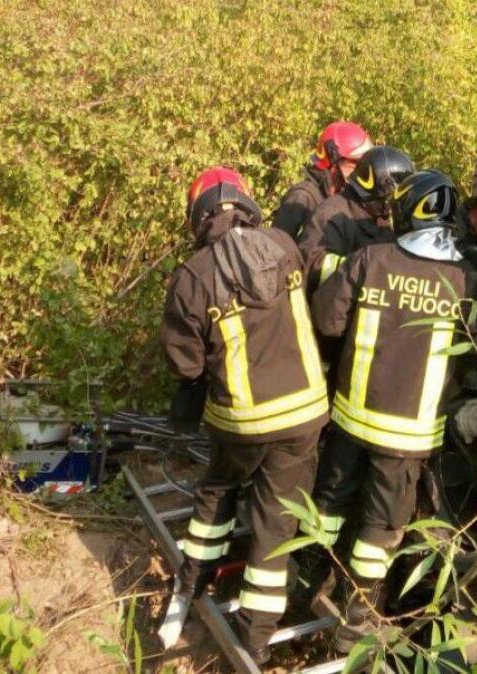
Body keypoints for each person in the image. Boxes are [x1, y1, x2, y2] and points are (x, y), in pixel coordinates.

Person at [158, 167, 328, 664]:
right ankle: (256, 639)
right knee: (276, 524)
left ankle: (192, 582)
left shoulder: (194, 277)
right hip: (305, 414)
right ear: (246, 203)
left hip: (243, 423)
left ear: (199, 216)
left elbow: (183, 362)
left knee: (216, 496)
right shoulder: (283, 245)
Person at [308, 170, 477, 651]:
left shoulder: (370, 259)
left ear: (408, 211)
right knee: (380, 531)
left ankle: (305, 582)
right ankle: (357, 620)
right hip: (410, 438)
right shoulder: (465, 278)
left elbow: (326, 319)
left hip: (348, 421)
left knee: (327, 509)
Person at [311, 146, 415, 287]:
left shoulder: (377, 216)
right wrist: (366, 266)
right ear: (378, 192)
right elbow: (314, 265)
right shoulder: (331, 214)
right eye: (391, 199)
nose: (393, 206)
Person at [271, 121, 374, 239]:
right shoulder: (302, 198)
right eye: (356, 163)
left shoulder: (341, 195)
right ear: (334, 163)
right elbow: (275, 249)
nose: (362, 170)